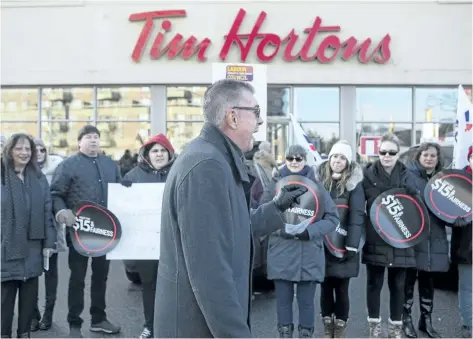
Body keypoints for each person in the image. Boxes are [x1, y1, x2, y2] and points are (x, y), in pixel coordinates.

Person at [153, 79, 308, 338]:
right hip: (197, 329)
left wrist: (277, 208)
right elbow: (210, 274)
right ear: (233, 117)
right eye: (256, 113)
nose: (260, 123)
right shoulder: (206, 165)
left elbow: (232, 227)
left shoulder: (215, 158)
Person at [50, 125, 122, 338]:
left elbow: (118, 190)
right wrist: (62, 210)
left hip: (106, 232)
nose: (93, 140)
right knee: (78, 278)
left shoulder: (110, 164)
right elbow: (55, 193)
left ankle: (99, 319)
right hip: (79, 232)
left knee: (101, 277)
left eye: (96, 137)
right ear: (79, 142)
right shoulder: (68, 165)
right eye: (88, 137)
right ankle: (74, 324)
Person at [267, 145, 340, 338]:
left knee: (307, 303)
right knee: (283, 302)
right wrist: (282, 229)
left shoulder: (317, 187)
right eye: (290, 158)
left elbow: (333, 218)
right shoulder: (274, 185)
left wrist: (309, 232)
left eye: (299, 158)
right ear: (285, 159)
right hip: (281, 251)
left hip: (309, 254)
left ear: (305, 160)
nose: (294, 162)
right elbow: (262, 215)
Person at [362, 134, 418, 338]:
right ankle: (374, 327)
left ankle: (395, 327)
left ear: (398, 154)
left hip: (402, 238)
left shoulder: (407, 176)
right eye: (383, 152)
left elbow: (417, 208)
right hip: (376, 237)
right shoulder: (366, 174)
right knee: (374, 284)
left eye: (391, 152)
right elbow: (360, 207)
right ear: (378, 153)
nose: (387, 156)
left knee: (398, 286)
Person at [1, 133, 56, 338]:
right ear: (9, 151)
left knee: (29, 297)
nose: (24, 152)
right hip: (6, 245)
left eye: (28, 149)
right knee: (5, 298)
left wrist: (49, 242)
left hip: (33, 246)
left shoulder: (38, 178)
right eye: (19, 148)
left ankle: (24, 334)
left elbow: (46, 211)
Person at [121, 134, 176, 339]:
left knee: (175, 284)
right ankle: (150, 325)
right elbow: (124, 208)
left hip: (173, 242)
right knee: (150, 285)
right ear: (147, 154)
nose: (159, 154)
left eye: (163, 150)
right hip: (146, 243)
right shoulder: (132, 176)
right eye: (155, 151)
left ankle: (172, 324)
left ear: (169, 153)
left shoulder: (179, 172)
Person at [316, 141, 365, 338]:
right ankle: (328, 328)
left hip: (346, 246)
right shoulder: (318, 182)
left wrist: (352, 246)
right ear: (329, 158)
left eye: (342, 157)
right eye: (335, 156)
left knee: (342, 289)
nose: (338, 160)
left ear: (348, 162)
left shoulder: (354, 184)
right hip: (323, 245)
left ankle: (340, 329)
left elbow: (357, 216)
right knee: (325, 288)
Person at [402, 142, 449, 338]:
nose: (429, 158)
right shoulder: (408, 177)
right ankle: (406, 320)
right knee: (409, 280)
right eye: (425, 155)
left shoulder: (444, 180)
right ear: (419, 157)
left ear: (438, 159)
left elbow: (450, 207)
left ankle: (426, 320)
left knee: (428, 281)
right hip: (415, 237)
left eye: (433, 156)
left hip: (435, 237)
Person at [30, 139, 66, 332]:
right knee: (32, 275)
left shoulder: (57, 170)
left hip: (52, 229)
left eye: (43, 150)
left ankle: (48, 315)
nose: (40, 153)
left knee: (51, 274)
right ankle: (34, 314)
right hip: (30, 233)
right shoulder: (23, 173)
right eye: (36, 150)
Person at [450, 146, 473, 338]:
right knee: (467, 287)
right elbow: (444, 208)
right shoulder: (458, 183)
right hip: (467, 244)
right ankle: (468, 325)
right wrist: (455, 219)